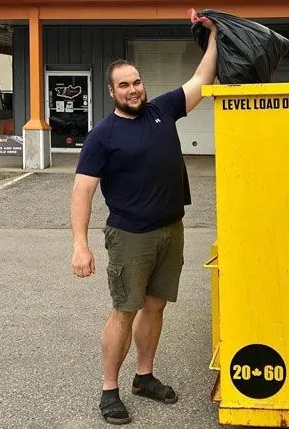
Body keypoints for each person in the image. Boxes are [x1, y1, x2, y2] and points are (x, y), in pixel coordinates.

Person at [69, 18, 218, 425]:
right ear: (112, 91)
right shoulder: (103, 134)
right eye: (124, 85)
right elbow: (83, 191)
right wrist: (80, 245)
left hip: (171, 229)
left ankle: (144, 376)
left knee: (155, 307)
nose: (132, 90)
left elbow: (203, 77)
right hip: (130, 236)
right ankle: (109, 390)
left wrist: (215, 33)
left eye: (136, 82)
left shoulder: (163, 110)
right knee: (125, 311)